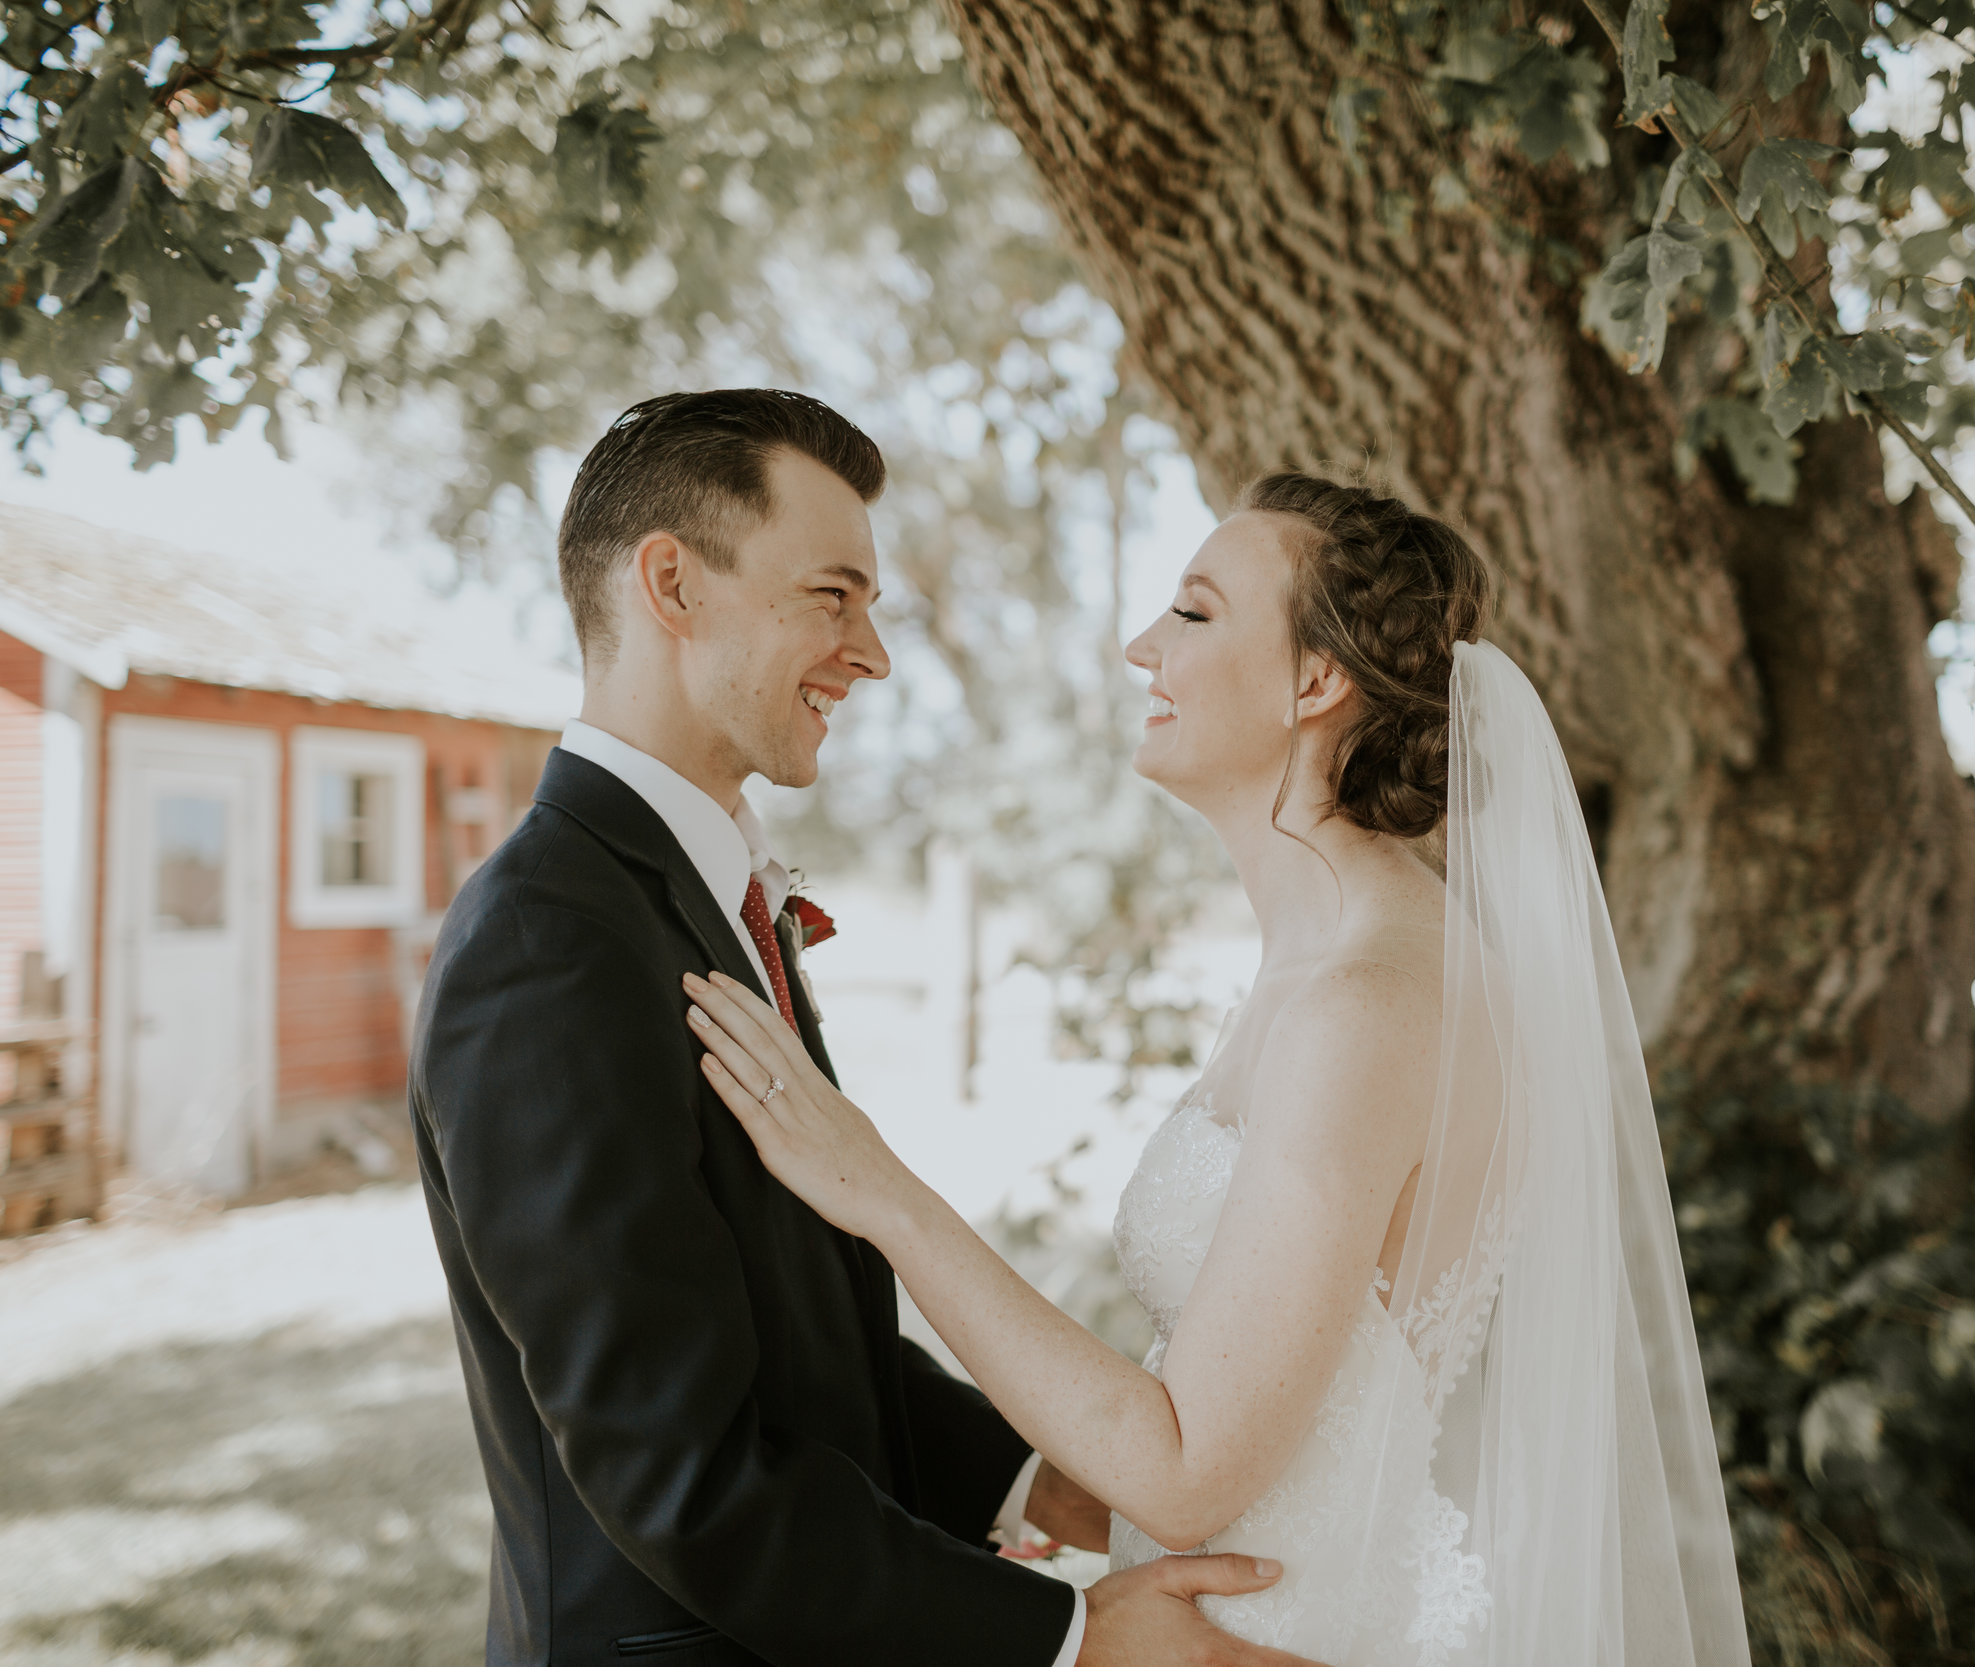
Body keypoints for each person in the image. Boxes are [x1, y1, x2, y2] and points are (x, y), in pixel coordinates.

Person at [682, 472, 1751, 1664]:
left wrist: (884, 1194)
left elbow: (1186, 1467)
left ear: (1314, 679)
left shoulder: (1365, 1000)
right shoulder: (1329, 965)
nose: (1144, 647)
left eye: (1191, 612)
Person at [410, 388, 1323, 1666]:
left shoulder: (695, 895)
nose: (874, 652)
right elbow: (678, 1471)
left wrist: (1040, 1482)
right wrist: (1070, 1637)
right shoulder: (547, 943)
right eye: (831, 597)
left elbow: (790, 1331)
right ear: (671, 584)